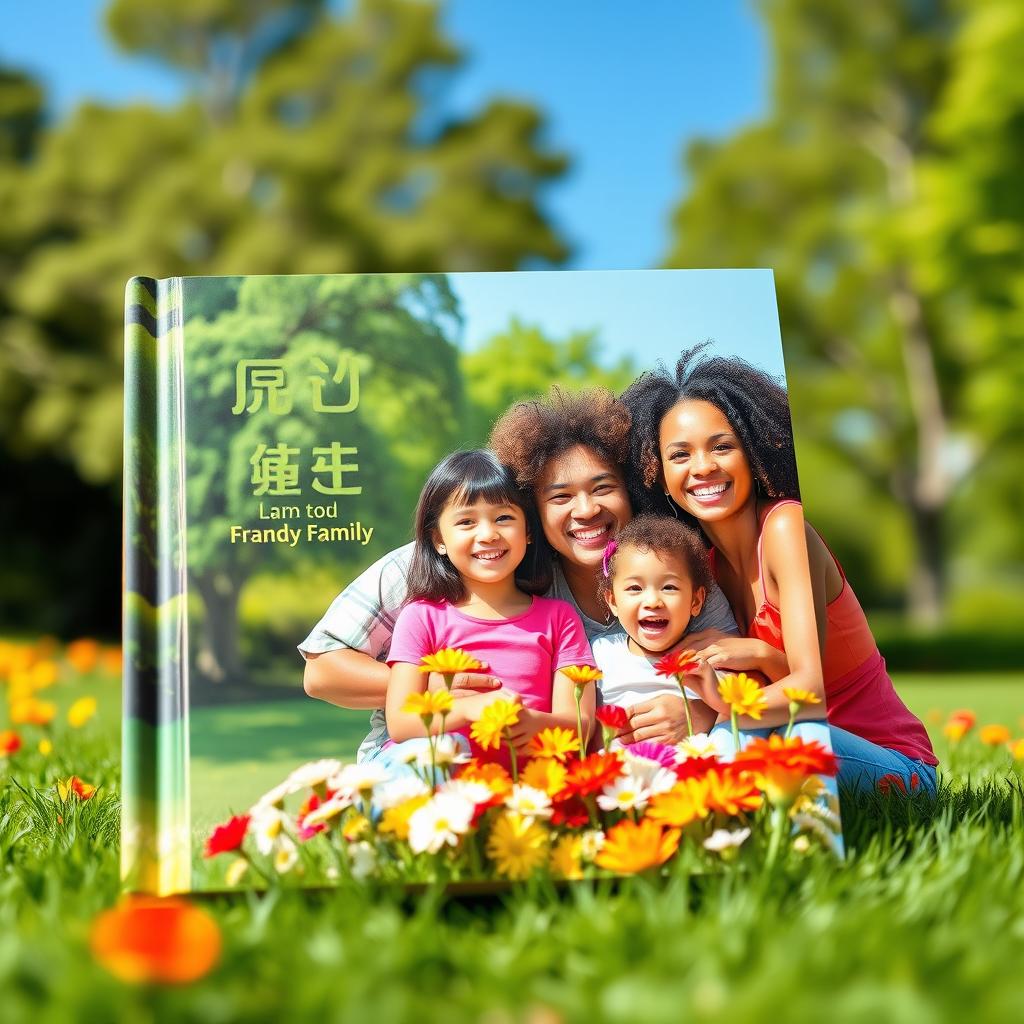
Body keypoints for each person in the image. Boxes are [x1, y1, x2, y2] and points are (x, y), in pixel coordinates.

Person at [300, 387, 740, 760]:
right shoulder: (464, 562)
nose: (586, 510)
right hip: (422, 759)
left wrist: (700, 710)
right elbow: (322, 672)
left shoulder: (672, 572)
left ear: (633, 490)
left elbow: (743, 677)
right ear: (533, 510)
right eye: (560, 496)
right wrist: (433, 688)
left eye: (603, 488)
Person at [620, 344, 938, 793]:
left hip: (888, 760)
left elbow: (808, 691)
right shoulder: (701, 572)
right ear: (657, 474)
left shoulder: (786, 528)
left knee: (775, 739)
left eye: (722, 446)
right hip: (783, 740)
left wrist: (714, 708)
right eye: (680, 455)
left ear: (752, 450)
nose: (704, 467)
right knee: (743, 743)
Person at [380, 449, 595, 772]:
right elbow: (401, 722)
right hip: (439, 780)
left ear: (528, 531)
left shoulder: (558, 619)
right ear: (438, 539)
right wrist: (470, 710)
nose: (488, 534)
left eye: (504, 518)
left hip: (526, 787)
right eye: (466, 521)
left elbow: (580, 725)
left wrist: (535, 723)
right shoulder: (422, 616)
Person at [592, 514, 727, 736]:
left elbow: (738, 713)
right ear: (613, 601)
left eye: (669, 587)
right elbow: (581, 723)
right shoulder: (598, 654)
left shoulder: (707, 661)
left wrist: (713, 702)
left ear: (696, 601)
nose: (653, 601)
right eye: (635, 588)